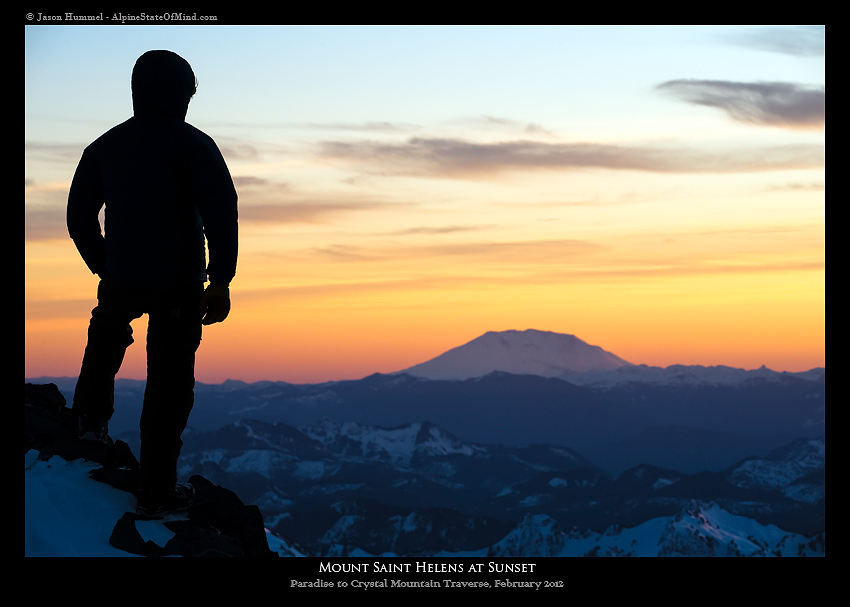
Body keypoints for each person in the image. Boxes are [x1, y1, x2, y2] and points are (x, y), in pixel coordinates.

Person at [66, 50, 238, 517]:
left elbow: (79, 216)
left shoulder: (104, 146)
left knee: (105, 338)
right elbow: (221, 215)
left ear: (137, 92)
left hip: (120, 275)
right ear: (182, 94)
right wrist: (220, 280)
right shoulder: (194, 146)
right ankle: (157, 488)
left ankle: (88, 425)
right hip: (180, 282)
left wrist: (104, 263)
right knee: (169, 382)